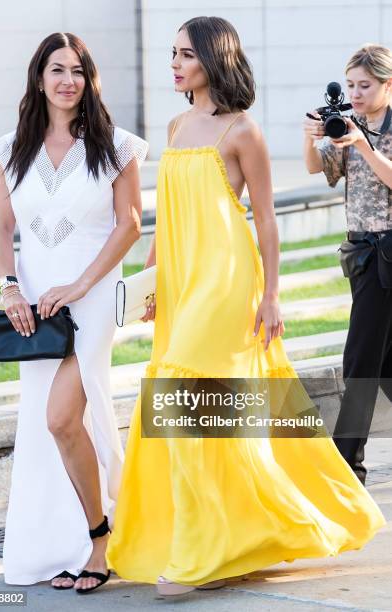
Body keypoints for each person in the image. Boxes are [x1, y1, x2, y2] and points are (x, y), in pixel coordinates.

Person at [106, 18, 386, 596]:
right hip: (183, 280)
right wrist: (152, 281)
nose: (176, 64)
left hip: (229, 279)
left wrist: (273, 295)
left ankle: (203, 550)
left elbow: (265, 222)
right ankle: (229, 539)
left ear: (214, 57)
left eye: (186, 54)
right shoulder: (178, 124)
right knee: (204, 410)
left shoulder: (242, 131)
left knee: (181, 392)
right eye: (173, 53)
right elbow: (169, 213)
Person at [0, 32, 148, 592]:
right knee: (48, 422)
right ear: (39, 78)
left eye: (78, 71)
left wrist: (81, 283)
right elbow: (4, 226)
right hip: (35, 302)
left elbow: (130, 223)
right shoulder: (14, 148)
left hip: (94, 292)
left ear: (89, 78)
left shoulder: (117, 145)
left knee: (61, 417)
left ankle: (100, 539)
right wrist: (10, 288)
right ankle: (63, 544)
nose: (68, 80)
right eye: (57, 70)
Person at [303, 44, 392, 485]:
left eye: (365, 85)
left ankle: (345, 464)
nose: (355, 94)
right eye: (351, 85)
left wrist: (364, 144)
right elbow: (319, 170)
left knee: (359, 357)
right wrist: (312, 137)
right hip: (361, 254)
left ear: (387, 84)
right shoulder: (348, 125)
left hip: (389, 252)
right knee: (386, 362)